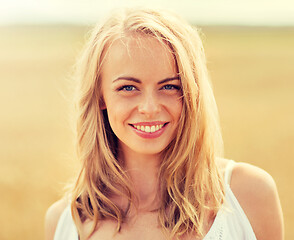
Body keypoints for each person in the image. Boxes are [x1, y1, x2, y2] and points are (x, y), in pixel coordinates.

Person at [45, 8, 284, 240]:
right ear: (100, 96)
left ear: (191, 93)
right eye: (128, 88)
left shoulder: (248, 196)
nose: (149, 107)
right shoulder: (64, 223)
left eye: (169, 86)